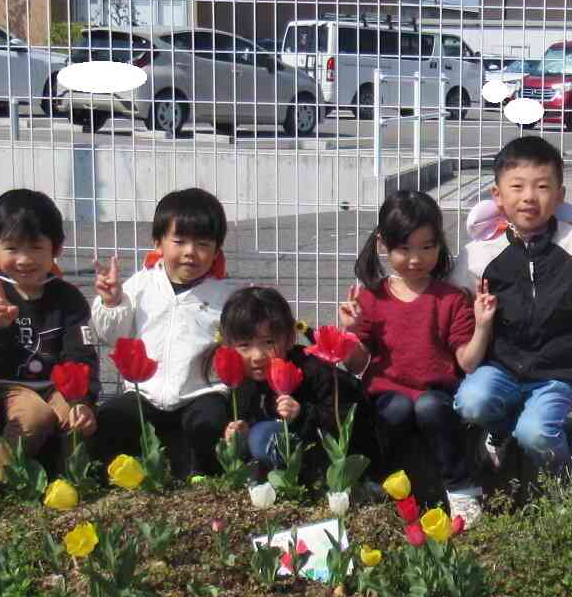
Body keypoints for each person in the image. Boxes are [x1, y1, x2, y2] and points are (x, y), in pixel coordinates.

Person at [451, 136, 572, 485]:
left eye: (542, 187)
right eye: (517, 187)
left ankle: (568, 488)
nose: (528, 197)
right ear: (497, 195)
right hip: (501, 368)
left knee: (536, 433)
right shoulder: (477, 255)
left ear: (560, 194)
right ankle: (498, 433)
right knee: (471, 401)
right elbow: (455, 310)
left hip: (559, 374)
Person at [335, 191, 495, 524]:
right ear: (383, 244)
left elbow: (466, 362)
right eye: (404, 248)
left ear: (440, 244)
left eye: (427, 247)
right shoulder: (373, 298)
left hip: (436, 391)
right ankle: (383, 482)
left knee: (427, 406)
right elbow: (357, 364)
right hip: (388, 391)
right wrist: (350, 332)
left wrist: (482, 326)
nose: (415, 259)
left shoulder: (450, 299)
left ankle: (461, 489)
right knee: (395, 409)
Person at [89, 187, 236, 478]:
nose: (190, 253)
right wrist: (112, 302)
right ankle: (118, 476)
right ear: (158, 242)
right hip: (145, 393)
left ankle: (200, 475)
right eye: (178, 241)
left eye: (203, 244)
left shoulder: (224, 298)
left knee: (208, 423)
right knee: (107, 419)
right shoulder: (139, 287)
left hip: (200, 393)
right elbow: (110, 335)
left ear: (217, 249)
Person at [0, 188, 98, 500]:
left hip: (53, 385)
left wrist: (84, 399)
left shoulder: (68, 298)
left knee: (77, 417)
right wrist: (1, 328)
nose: (24, 260)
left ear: (56, 248)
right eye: (11, 248)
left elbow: (81, 353)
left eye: (36, 248)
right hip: (6, 385)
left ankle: (72, 482)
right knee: (34, 416)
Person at [215, 287, 374, 478]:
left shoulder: (314, 371)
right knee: (255, 435)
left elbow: (349, 417)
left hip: (345, 452)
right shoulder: (240, 379)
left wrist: (303, 413)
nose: (256, 356)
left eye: (268, 342)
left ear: (290, 338)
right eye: (244, 345)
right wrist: (242, 431)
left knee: (261, 437)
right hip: (294, 445)